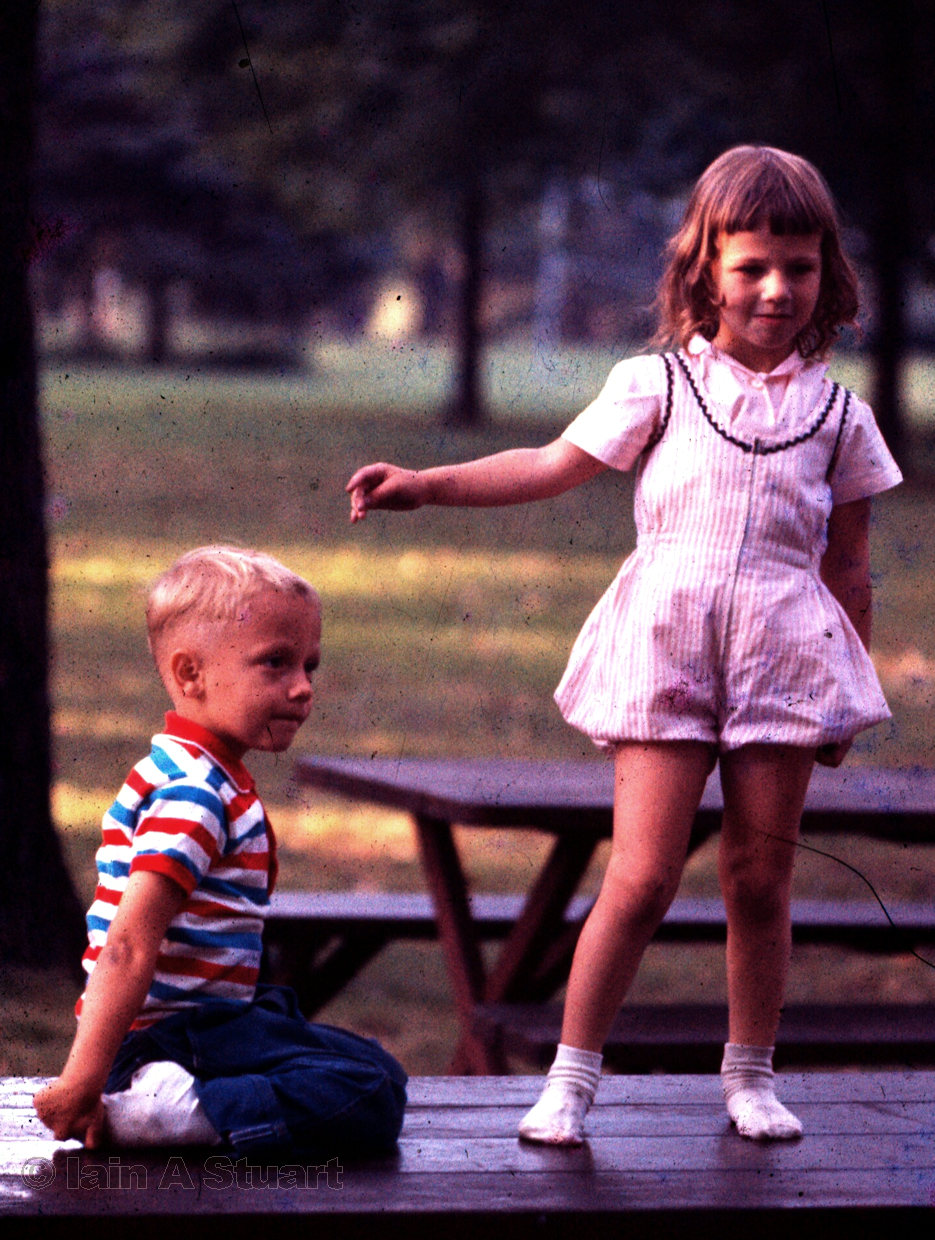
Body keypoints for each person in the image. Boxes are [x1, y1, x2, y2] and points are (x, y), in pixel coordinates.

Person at [345, 146, 902, 1145]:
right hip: (666, 649)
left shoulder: (838, 416)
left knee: (756, 877)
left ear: (827, 271)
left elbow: (847, 567)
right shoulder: (653, 384)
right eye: (750, 267)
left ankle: (749, 1075)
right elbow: (548, 464)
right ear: (703, 268)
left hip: (784, 661)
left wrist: (839, 693)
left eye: (799, 267)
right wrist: (426, 483)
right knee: (639, 878)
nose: (775, 289)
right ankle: (569, 1077)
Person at [34, 545, 407, 1154]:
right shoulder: (194, 794)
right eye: (276, 664)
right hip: (169, 1039)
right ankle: (157, 1114)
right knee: (366, 1092)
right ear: (190, 675)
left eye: (308, 666)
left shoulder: (201, 774)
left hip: (212, 1027)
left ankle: (187, 1103)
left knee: (378, 1072)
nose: (302, 689)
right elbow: (126, 945)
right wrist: (83, 1078)